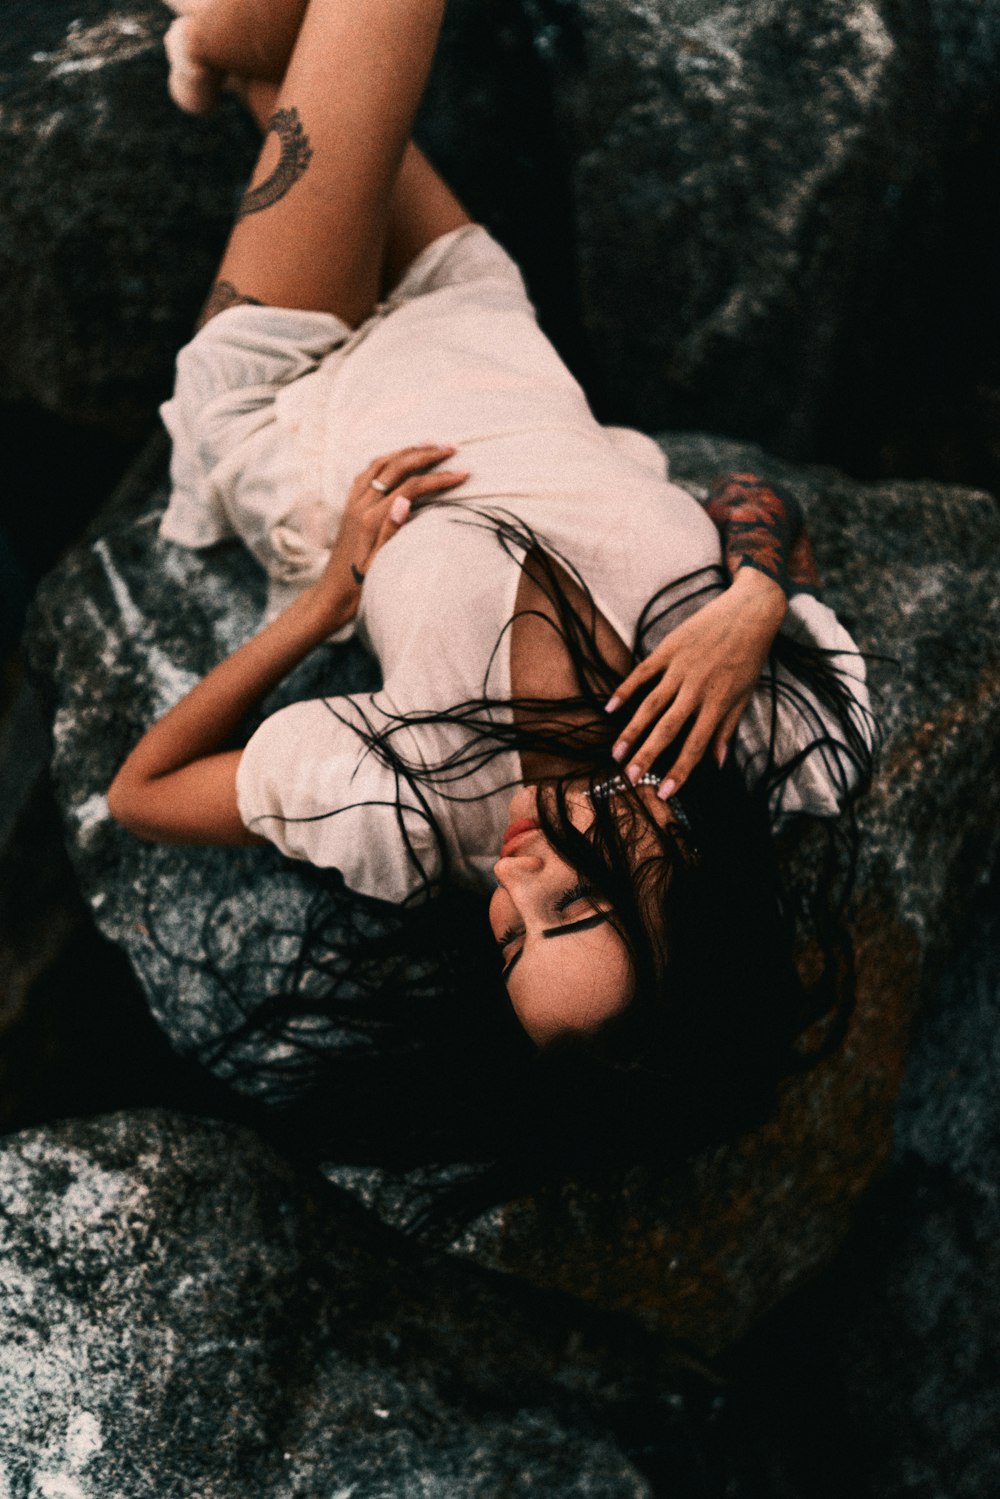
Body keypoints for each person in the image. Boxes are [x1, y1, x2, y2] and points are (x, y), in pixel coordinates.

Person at [108, 0, 875, 1194]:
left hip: (293, 385)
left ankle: (236, 60)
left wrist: (320, 603)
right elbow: (750, 493)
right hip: (474, 311)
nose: (515, 878)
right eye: (573, 902)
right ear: (687, 893)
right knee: (284, 44)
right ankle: (233, 61)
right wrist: (755, 602)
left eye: (509, 936)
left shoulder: (412, 803)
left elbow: (139, 793)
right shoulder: (781, 734)